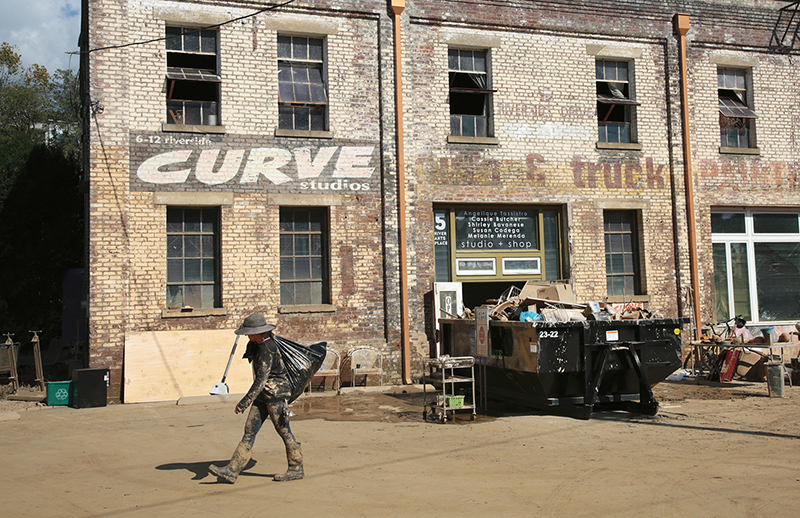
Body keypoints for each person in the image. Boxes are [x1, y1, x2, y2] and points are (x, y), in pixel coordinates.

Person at [209, 313, 304, 483]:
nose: (247, 335)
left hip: (276, 396)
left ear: (258, 332)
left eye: (249, 333)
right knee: (249, 431)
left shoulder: (268, 348)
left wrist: (244, 402)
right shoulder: (261, 345)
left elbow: (261, 380)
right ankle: (232, 470)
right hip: (263, 396)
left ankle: (296, 468)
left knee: (284, 432)